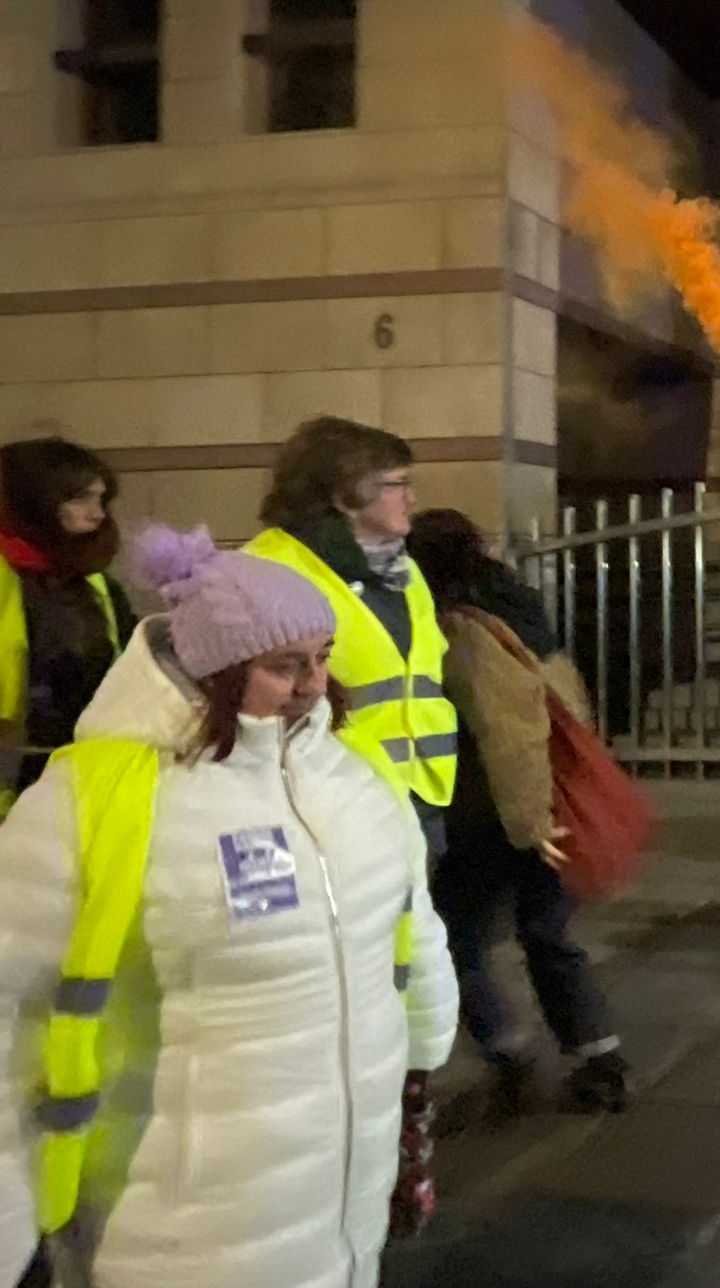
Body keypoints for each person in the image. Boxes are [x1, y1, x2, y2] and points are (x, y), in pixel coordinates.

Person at [0, 527, 457, 1288]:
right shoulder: (91, 803)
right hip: (180, 1230)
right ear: (214, 670)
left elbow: (410, 920)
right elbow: (9, 1003)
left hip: (343, 1204)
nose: (313, 684)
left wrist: (422, 1048)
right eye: (284, 665)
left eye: (322, 656)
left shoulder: (354, 777)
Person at [408, 509, 631, 1119]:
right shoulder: (518, 607)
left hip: (497, 814)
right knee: (544, 934)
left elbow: (507, 733)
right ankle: (597, 1057)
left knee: (455, 937)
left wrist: (530, 824)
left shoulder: (461, 627)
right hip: (532, 806)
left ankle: (510, 1051)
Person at [244, 417, 460, 858]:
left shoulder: (404, 570)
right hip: (328, 797)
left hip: (417, 794)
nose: (412, 498)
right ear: (345, 494)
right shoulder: (270, 569)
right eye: (397, 484)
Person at [0, 440, 135, 805]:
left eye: (101, 500)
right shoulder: (10, 577)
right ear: (36, 501)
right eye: (80, 499)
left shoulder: (97, 583)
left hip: (81, 770)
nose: (97, 514)